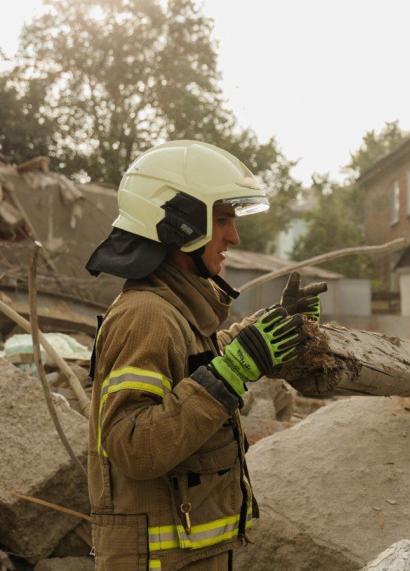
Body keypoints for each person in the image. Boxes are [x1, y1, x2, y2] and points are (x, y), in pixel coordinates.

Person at [84, 140, 325, 570]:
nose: (234, 236)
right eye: (223, 219)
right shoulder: (146, 316)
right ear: (181, 224)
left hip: (183, 554)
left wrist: (272, 328)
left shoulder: (177, 310)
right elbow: (132, 445)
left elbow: (199, 366)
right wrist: (230, 375)